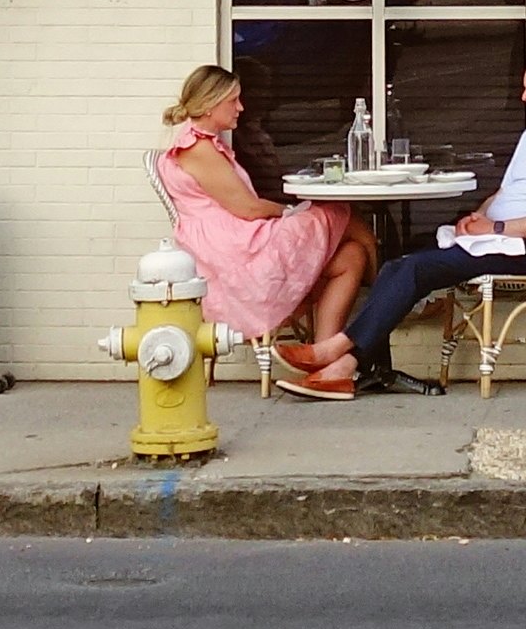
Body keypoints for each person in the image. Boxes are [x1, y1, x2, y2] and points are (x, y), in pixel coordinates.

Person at [337, 55, 526, 394]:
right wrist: (479, 217)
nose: (524, 96)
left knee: (416, 270)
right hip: (499, 238)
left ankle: (342, 357)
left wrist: (494, 230)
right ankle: (366, 367)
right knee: (398, 261)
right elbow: (506, 193)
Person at [154, 65, 379, 399]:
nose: (241, 108)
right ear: (209, 105)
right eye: (234, 101)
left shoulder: (204, 144)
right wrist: (288, 212)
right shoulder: (197, 150)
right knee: (342, 211)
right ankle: (388, 297)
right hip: (234, 256)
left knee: (352, 255)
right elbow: (246, 208)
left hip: (238, 243)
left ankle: (322, 363)